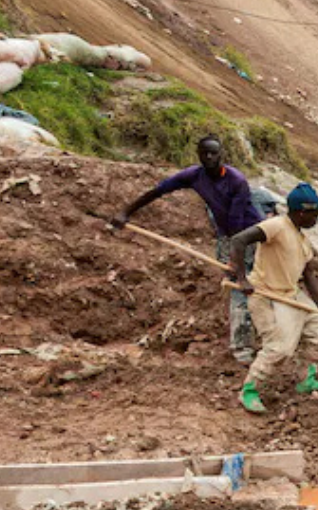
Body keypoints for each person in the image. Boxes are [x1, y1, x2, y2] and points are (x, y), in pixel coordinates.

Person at [115, 136, 271, 365]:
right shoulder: (194, 175)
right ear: (198, 154)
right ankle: (245, 343)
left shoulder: (236, 181)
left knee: (246, 284)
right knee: (240, 287)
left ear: (221, 155)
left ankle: (255, 344)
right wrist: (126, 212)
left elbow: (238, 224)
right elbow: (158, 191)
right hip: (227, 235)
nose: (209, 157)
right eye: (205, 153)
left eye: (213, 153)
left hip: (251, 233)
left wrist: (235, 263)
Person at [223, 185, 318, 414]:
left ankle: (307, 378)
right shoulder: (276, 226)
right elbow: (238, 240)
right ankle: (250, 390)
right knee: (280, 348)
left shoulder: (302, 239)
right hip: (267, 295)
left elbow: (307, 274)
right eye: (315, 216)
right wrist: (242, 278)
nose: (316, 220)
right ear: (302, 212)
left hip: (291, 294)